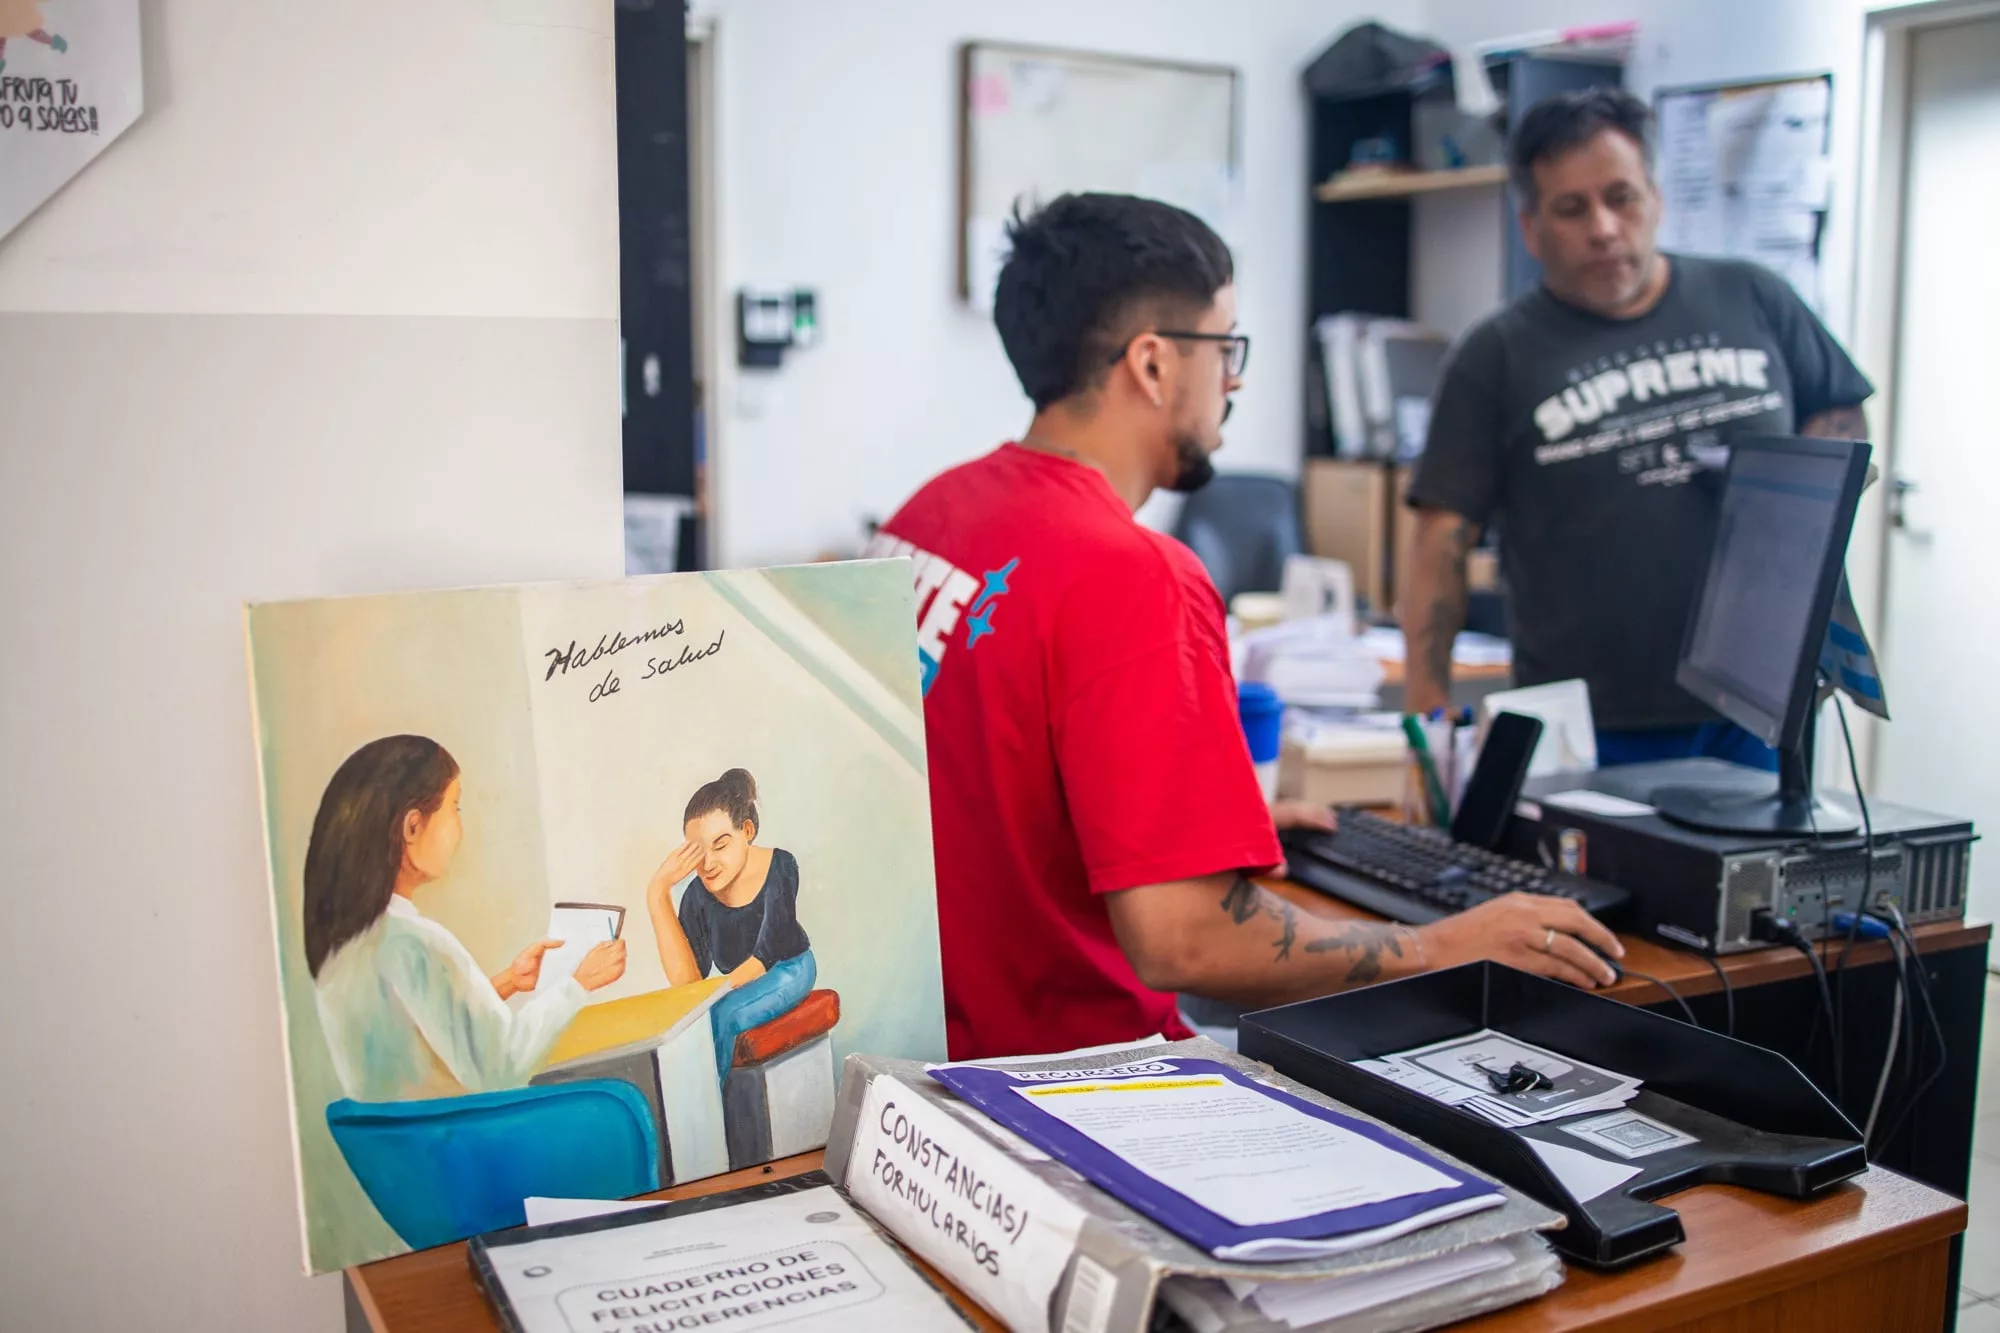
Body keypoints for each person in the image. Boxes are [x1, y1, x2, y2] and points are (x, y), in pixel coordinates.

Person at [868, 192, 1621, 1061]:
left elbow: (993, 781)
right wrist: (1437, 947)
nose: (1235, 378)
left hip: (928, 1055)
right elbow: (1183, 938)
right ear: (1152, 365)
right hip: (1069, 1078)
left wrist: (1200, 827)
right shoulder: (1134, 574)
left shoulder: (934, 512)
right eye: (1224, 346)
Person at [1403, 88, 1874, 769]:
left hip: (1758, 710)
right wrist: (1427, 705)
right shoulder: (1494, 356)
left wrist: (1799, 512)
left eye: (1620, 197)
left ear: (1654, 197)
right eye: (1571, 208)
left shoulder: (1754, 297)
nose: (1602, 227)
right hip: (1586, 725)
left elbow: (1837, 407)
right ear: (1530, 228)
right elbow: (1438, 539)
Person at [306, 735, 628, 1102]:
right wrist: (579, 983)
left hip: (400, 1151)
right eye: (454, 808)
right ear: (412, 827)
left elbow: (428, 1034)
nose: (459, 827)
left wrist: (508, 981)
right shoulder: (416, 943)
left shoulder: (347, 946)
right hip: (467, 1143)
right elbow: (504, 1065)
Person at [646, 768, 816, 1080]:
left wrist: (717, 993)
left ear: (747, 831)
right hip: (736, 984)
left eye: (720, 844)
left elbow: (767, 953)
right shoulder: (696, 895)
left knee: (722, 1017)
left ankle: (709, 1113)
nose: (708, 864)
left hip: (789, 968)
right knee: (683, 1027)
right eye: (697, 852)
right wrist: (657, 893)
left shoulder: (781, 866)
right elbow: (686, 982)